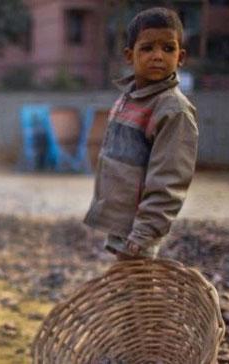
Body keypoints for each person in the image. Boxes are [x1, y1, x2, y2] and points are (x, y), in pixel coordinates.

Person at [84, 7, 198, 260]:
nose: (158, 56)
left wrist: (145, 231)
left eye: (168, 48)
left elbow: (169, 179)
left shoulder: (172, 110)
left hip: (140, 227)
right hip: (123, 222)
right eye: (147, 48)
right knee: (129, 288)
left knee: (140, 290)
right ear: (129, 55)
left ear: (180, 57)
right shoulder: (130, 98)